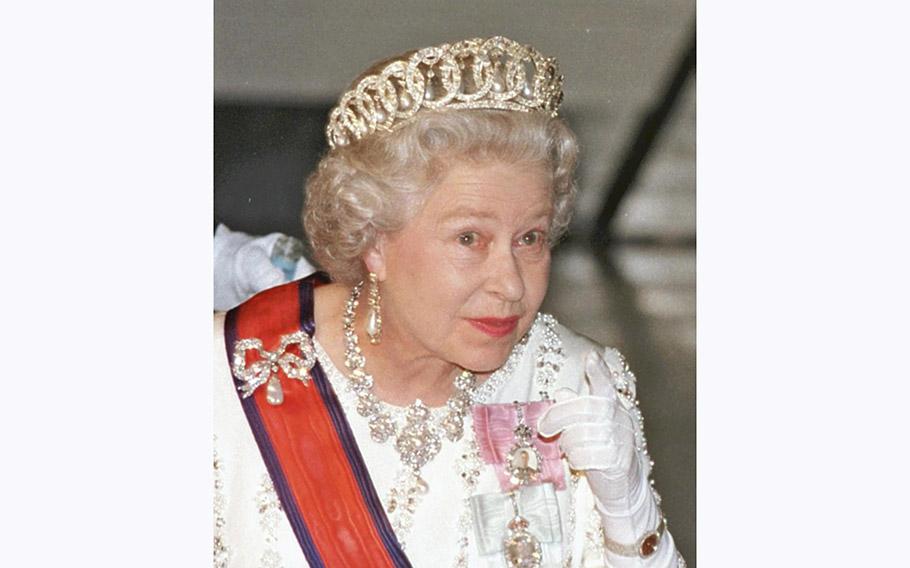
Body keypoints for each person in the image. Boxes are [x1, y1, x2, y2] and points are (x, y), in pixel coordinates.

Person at [214, 36, 685, 568]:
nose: (510, 285)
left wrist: (632, 524)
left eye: (530, 238)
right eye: (469, 239)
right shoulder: (225, 374)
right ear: (374, 242)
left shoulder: (577, 384)